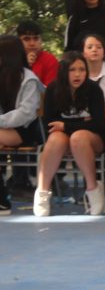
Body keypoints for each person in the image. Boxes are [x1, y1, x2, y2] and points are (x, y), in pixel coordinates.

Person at [33, 51, 105, 216]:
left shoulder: (94, 89)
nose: (78, 74)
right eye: (72, 70)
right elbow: (49, 124)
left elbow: (98, 124)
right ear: (63, 71)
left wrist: (66, 125)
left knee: (78, 137)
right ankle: (42, 192)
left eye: (82, 69)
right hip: (62, 139)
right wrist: (82, 122)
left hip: (94, 139)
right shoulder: (54, 88)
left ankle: (93, 189)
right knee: (56, 139)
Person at [0, 35, 44, 214]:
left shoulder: (29, 80)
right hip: (4, 128)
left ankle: (2, 201)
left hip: (26, 131)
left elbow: (26, 114)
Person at [17, 21, 59, 85]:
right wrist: (25, 66)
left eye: (36, 38)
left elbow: (50, 91)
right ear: (18, 41)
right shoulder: (12, 59)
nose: (32, 43)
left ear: (41, 40)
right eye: (27, 39)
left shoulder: (49, 60)